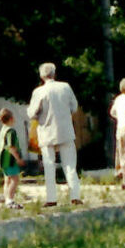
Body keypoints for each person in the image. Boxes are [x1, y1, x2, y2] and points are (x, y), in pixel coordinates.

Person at [27, 62, 82, 205]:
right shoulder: (65, 87)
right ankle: (75, 196)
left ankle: (51, 198)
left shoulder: (39, 92)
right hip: (65, 130)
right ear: (54, 73)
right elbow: (74, 107)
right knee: (70, 164)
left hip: (46, 131)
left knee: (49, 165)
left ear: (41, 76)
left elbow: (32, 113)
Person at [0, 107, 25, 208]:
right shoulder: (11, 131)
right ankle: (10, 200)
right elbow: (11, 147)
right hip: (10, 160)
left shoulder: (3, 130)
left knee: (7, 180)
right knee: (14, 179)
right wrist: (18, 159)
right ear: (11, 118)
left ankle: (6, 199)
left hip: (2, 159)